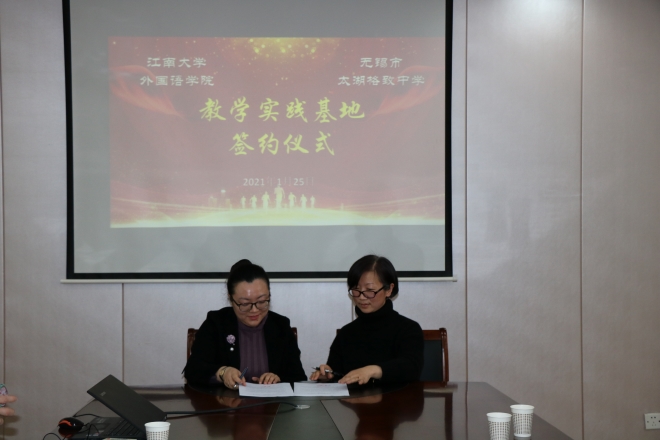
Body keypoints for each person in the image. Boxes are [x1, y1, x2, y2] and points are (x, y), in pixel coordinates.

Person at [184, 260, 306, 388]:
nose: (254, 310)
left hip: (270, 401)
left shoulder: (281, 326)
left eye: (261, 301)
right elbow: (193, 370)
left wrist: (278, 379)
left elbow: (298, 377)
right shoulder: (216, 323)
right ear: (231, 298)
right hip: (225, 400)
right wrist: (222, 372)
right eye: (245, 303)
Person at [310, 255, 423, 385]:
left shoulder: (408, 328)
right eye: (356, 289)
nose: (361, 297)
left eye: (370, 290)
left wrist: (372, 370)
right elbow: (337, 373)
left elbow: (411, 367)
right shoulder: (346, 333)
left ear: (389, 289)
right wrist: (327, 375)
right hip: (354, 398)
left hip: (396, 397)